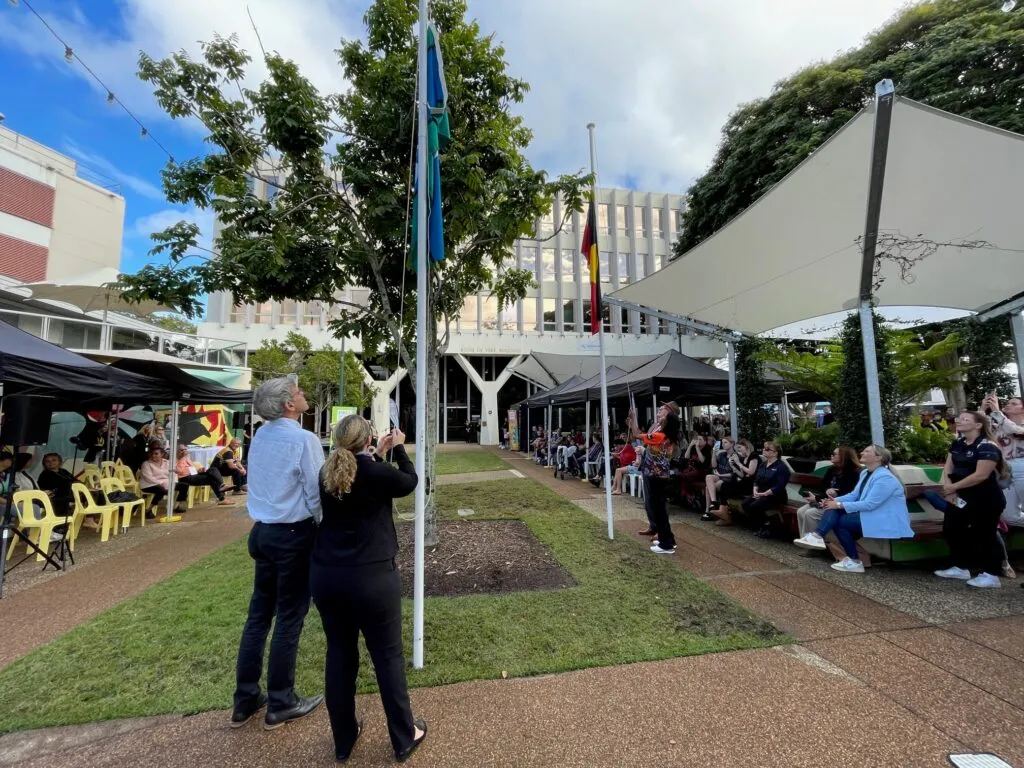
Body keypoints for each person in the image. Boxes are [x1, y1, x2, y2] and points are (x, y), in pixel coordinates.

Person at [311, 416, 428, 763]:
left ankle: (344, 739)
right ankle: (404, 737)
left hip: (328, 577)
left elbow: (358, 473)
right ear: (368, 440)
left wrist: (376, 452)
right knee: (388, 657)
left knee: (340, 655)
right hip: (372, 578)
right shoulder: (376, 474)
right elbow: (409, 481)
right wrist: (400, 448)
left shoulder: (327, 473)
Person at [231, 376, 325, 729]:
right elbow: (316, 492)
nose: (303, 395)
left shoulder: (259, 438)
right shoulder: (303, 439)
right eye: (299, 393)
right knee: (289, 617)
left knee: (259, 616)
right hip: (293, 535)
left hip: (263, 533)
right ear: (288, 403)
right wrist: (323, 527)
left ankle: (245, 699)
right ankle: (282, 700)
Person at [794, 444, 913, 573]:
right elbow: (854, 495)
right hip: (871, 515)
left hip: (886, 519)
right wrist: (834, 501)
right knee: (835, 513)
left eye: (867, 451)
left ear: (878, 458)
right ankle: (849, 558)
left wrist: (838, 504)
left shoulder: (885, 477)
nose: (862, 452)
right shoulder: (866, 473)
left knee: (838, 517)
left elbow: (870, 504)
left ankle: (821, 538)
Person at [934, 411, 1007, 589]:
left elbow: (981, 475)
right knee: (951, 529)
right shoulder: (958, 443)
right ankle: (960, 566)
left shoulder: (987, 446)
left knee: (985, 534)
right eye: (959, 418)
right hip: (960, 495)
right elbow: (949, 466)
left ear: (978, 425)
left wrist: (954, 488)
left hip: (985, 497)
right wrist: (948, 487)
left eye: (966, 419)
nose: (959, 421)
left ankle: (991, 574)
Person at [628, 402, 681, 554]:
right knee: (659, 510)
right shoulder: (668, 436)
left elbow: (637, 434)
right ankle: (669, 539)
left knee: (659, 510)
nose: (660, 421)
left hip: (655, 476)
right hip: (660, 476)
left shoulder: (659, 436)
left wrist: (632, 420)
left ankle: (666, 545)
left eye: (663, 421)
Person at [795, 446, 862, 540]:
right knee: (801, 511)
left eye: (834, 454)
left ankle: (814, 544)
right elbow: (822, 486)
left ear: (844, 456)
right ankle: (806, 541)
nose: (831, 455)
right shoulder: (832, 469)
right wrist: (825, 491)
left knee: (811, 514)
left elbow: (850, 494)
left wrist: (834, 494)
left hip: (840, 505)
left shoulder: (854, 473)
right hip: (825, 500)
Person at [739, 441, 791, 537]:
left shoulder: (781, 467)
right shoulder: (763, 465)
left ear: (775, 453)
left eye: (767, 449)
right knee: (745, 504)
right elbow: (757, 480)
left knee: (755, 506)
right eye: (764, 448)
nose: (764, 450)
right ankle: (765, 523)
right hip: (761, 493)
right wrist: (755, 489)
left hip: (775, 495)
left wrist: (765, 493)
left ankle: (768, 525)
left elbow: (780, 486)